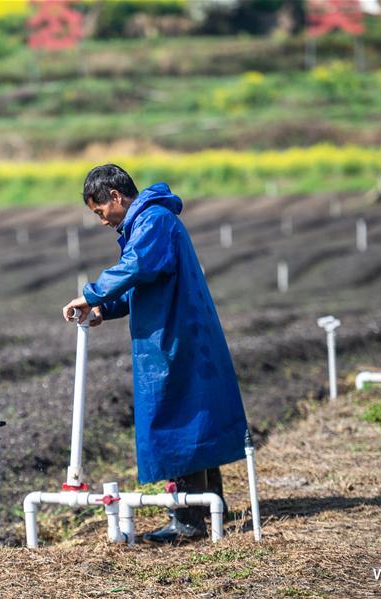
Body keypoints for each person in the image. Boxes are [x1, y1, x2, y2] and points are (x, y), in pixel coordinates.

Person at [62, 164, 248, 544]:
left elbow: (138, 267)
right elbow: (142, 285)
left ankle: (189, 519)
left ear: (115, 196)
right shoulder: (148, 222)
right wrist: (104, 310)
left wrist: (92, 293)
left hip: (175, 334)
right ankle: (211, 504)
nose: (101, 221)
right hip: (175, 328)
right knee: (192, 414)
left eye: (100, 211)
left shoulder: (153, 220)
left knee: (177, 417)